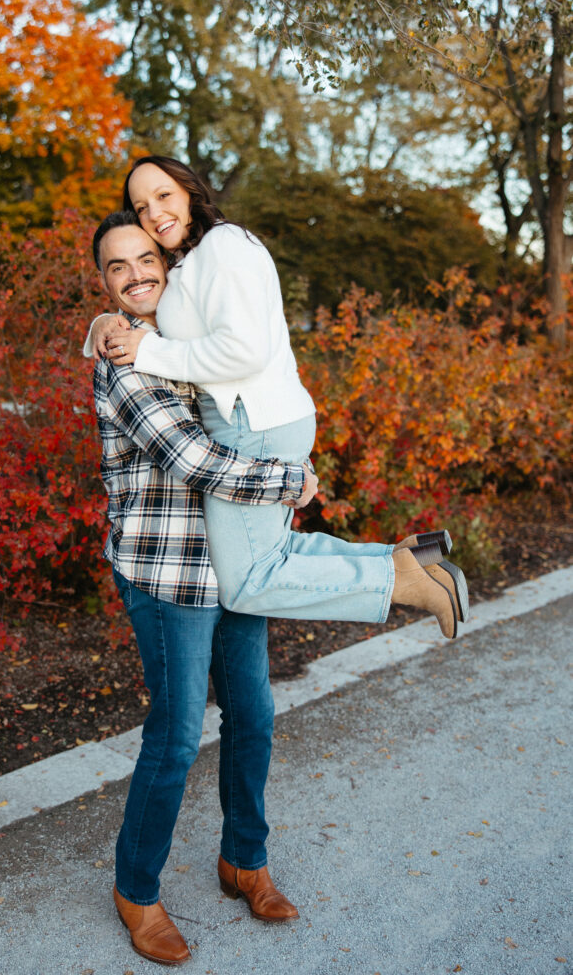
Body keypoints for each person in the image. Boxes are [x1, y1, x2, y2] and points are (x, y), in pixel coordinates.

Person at [85, 156, 469, 640]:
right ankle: (406, 561)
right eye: (141, 207)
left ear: (187, 190)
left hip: (252, 420)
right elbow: (150, 313)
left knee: (247, 583)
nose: (154, 212)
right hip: (252, 418)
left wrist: (149, 349)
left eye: (163, 195)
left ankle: (400, 581)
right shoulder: (193, 258)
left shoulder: (224, 247)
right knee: (271, 556)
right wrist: (102, 324)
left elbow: (242, 351)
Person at [92, 211, 314, 966]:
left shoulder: (184, 346)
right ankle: (136, 889)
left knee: (253, 715)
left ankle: (242, 862)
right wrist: (291, 479)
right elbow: (192, 460)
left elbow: (251, 378)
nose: (134, 275)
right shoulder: (122, 361)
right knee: (179, 733)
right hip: (165, 575)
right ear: (104, 284)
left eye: (144, 259)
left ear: (168, 264)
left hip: (230, 564)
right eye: (116, 268)